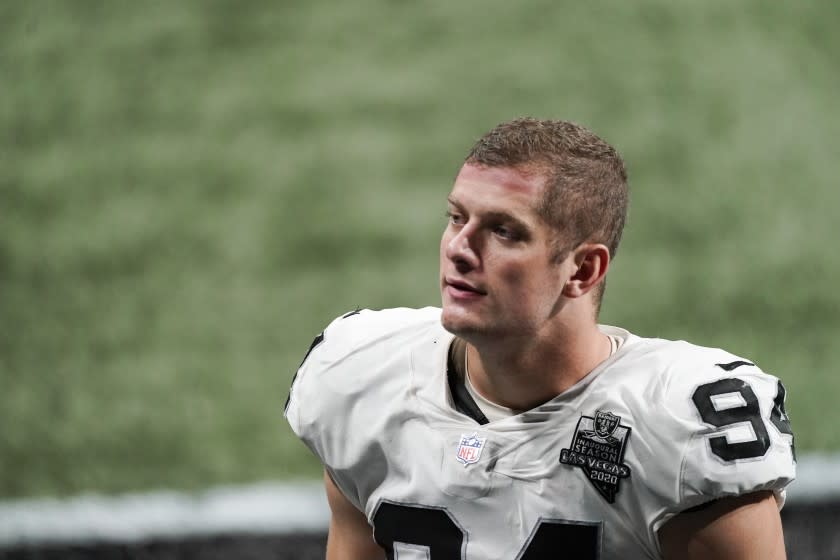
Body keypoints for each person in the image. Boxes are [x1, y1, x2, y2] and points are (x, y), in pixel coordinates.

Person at [284, 118, 796, 559]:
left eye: (504, 231)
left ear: (583, 269)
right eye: (457, 218)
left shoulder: (681, 427)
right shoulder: (364, 375)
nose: (460, 249)